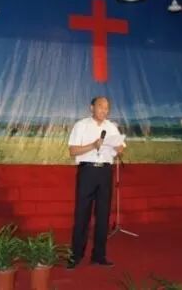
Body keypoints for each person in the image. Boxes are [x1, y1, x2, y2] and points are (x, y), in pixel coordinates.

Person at [67, 96, 124, 269]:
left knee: (103, 215)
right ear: (92, 107)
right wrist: (93, 145)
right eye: (100, 107)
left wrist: (118, 148)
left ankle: (99, 255)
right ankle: (75, 255)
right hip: (88, 171)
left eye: (107, 108)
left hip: (105, 172)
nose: (104, 110)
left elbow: (120, 149)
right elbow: (72, 151)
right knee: (82, 214)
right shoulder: (81, 125)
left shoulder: (111, 127)